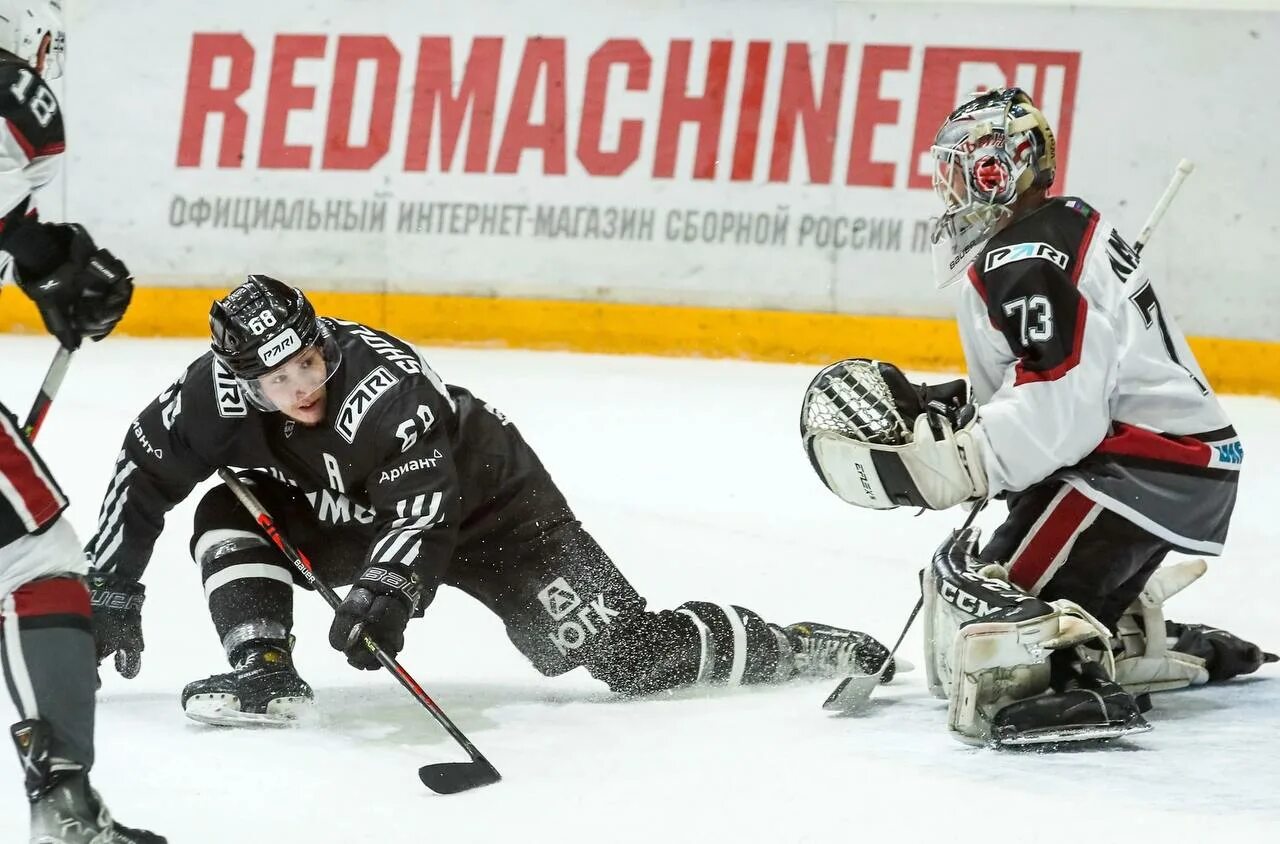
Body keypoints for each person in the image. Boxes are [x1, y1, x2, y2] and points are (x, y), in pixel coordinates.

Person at [84, 274, 892, 726]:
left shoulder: (381, 387)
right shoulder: (206, 400)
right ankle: (263, 670)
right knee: (228, 510)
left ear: (319, 336)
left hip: (492, 512)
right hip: (349, 512)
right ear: (240, 381)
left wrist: (386, 593)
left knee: (637, 659)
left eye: (307, 359)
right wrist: (112, 583)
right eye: (277, 378)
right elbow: (140, 473)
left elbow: (427, 509)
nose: (302, 385)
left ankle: (791, 645)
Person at [801, 88, 1273, 746]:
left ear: (1002, 168)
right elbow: (1057, 379)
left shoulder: (1026, 257)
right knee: (966, 625)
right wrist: (967, 411)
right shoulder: (1052, 230)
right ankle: (1120, 624)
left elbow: (1063, 410)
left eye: (965, 169)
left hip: (1136, 473)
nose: (952, 188)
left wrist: (964, 461)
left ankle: (1074, 676)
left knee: (984, 636)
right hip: (1152, 467)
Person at [0, 2, 165, 840]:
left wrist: (48, 262)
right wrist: (48, 260)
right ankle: (62, 805)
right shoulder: (14, 94)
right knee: (33, 561)